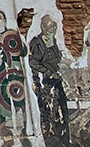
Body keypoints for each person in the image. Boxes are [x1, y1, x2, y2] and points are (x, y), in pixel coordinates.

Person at [0, 9, 29, 146]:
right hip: (0, 75)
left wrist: (20, 36)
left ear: (4, 20)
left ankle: (23, 133)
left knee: (20, 103)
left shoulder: (12, 35)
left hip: (15, 74)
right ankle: (7, 138)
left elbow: (24, 51)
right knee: (4, 105)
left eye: (0, 18)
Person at [29, 15, 70, 147]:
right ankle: (52, 142)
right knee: (49, 115)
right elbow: (33, 63)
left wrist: (63, 66)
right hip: (45, 84)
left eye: (54, 27)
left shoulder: (53, 41)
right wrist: (49, 73)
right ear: (42, 27)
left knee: (63, 112)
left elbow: (56, 59)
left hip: (56, 82)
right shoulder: (37, 43)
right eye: (49, 27)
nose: (52, 29)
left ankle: (64, 140)